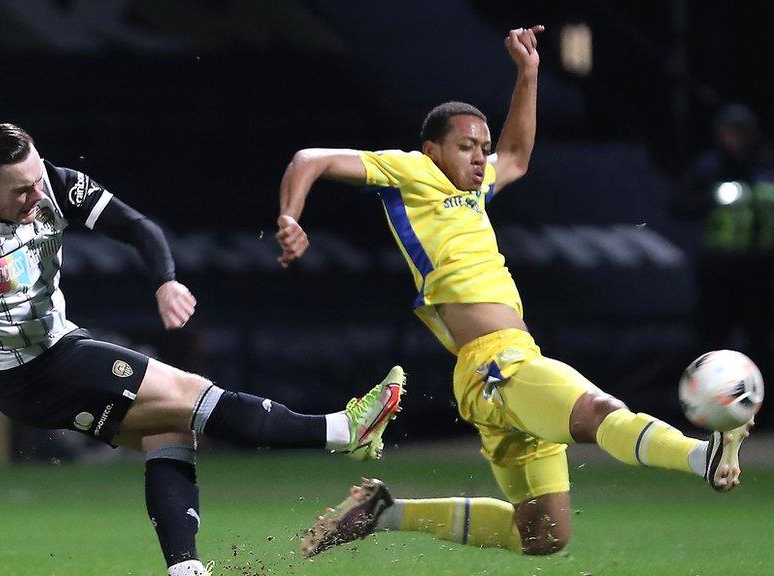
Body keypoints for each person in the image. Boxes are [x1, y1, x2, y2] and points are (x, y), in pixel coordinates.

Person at [273, 26, 755, 558]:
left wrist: (528, 74)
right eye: (466, 146)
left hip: (506, 367)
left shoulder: (474, 190)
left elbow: (519, 155)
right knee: (597, 411)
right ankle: (698, 456)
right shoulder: (410, 171)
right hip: (495, 364)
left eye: (482, 147)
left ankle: (386, 512)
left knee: (544, 535)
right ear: (431, 149)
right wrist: (291, 218)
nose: (480, 158)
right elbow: (309, 158)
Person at [0, 123, 405, 576]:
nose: (35, 196)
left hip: (57, 352)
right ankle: (343, 431)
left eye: (37, 180)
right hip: (32, 373)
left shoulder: (52, 184)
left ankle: (185, 568)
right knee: (195, 394)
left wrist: (165, 281)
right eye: (21, 191)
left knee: (170, 430)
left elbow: (138, 227)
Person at [673, 103, 774, 379]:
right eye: (730, 131)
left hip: (760, 270)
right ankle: (706, 404)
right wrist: (709, 198)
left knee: (761, 340)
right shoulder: (708, 168)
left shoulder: (766, 167)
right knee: (712, 339)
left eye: (742, 131)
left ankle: (763, 410)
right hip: (719, 269)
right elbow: (679, 205)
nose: (736, 138)